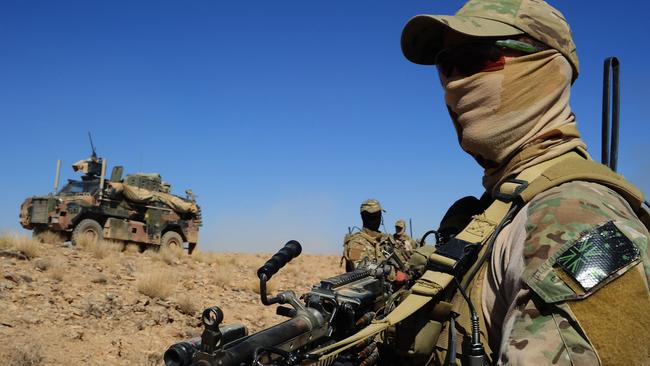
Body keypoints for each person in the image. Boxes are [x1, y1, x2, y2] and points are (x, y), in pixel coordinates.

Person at [400, 0, 650, 364]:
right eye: (445, 67)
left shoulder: (570, 220)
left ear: (545, 68)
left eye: (475, 60)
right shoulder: (508, 206)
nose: (454, 82)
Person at [342, 199, 390, 272]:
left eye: (377, 215)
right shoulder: (357, 243)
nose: (376, 219)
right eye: (373, 216)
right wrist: (392, 272)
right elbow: (361, 272)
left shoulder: (383, 239)